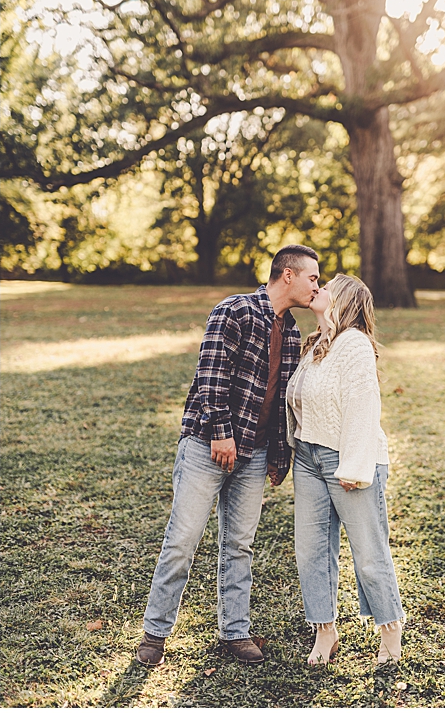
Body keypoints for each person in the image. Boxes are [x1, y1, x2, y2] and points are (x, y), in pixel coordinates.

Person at [137, 245, 321, 668]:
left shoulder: (291, 332)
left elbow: (280, 404)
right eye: (313, 277)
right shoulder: (234, 311)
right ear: (287, 275)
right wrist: (222, 435)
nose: (318, 286)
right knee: (182, 542)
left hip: (254, 456)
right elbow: (210, 378)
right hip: (208, 447)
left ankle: (235, 632)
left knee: (239, 545)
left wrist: (278, 457)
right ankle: (155, 633)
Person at [286, 274, 405, 665]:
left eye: (329, 287)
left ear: (345, 302)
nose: (319, 289)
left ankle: (390, 630)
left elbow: (364, 407)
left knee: (368, 551)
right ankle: (325, 632)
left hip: (347, 459)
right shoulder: (319, 343)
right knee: (311, 551)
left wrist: (355, 465)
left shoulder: (353, 344)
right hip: (308, 458)